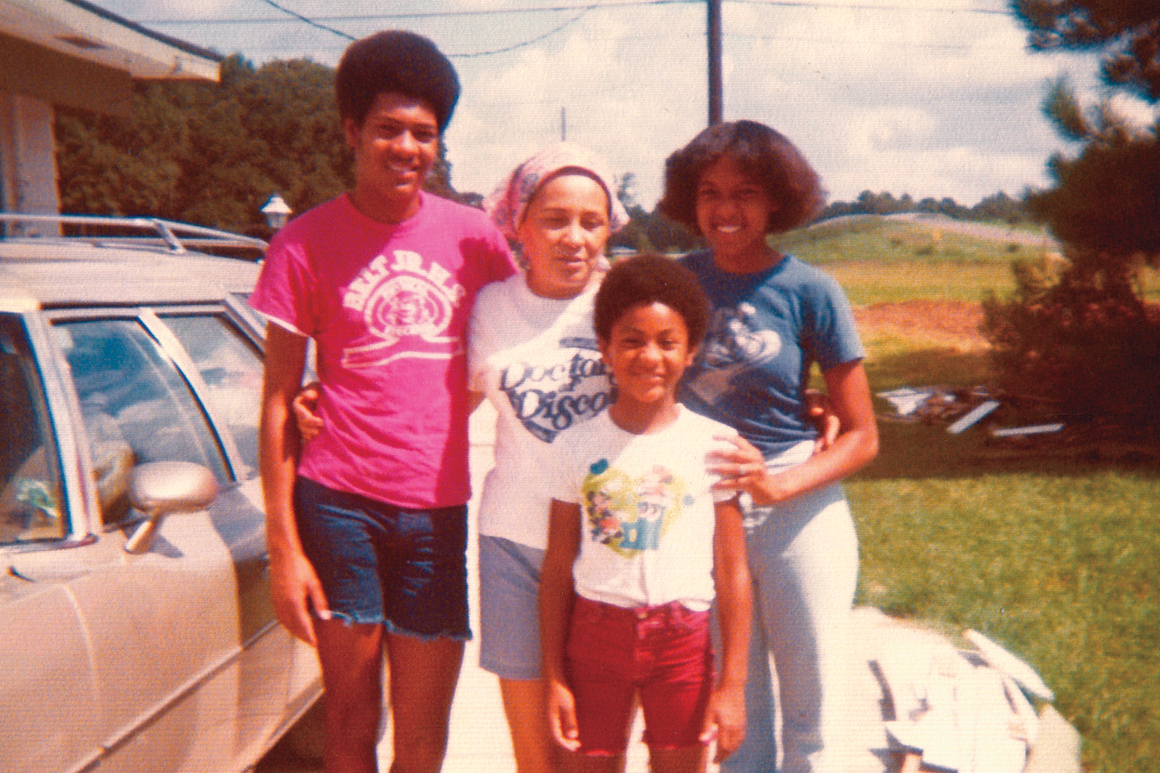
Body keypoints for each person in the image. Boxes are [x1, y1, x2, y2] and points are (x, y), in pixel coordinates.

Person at [293, 142, 630, 773]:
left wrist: (809, 400)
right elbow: (427, 387)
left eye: (592, 221)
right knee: (536, 754)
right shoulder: (489, 307)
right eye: (555, 219)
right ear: (518, 225)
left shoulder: (629, 302)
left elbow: (685, 387)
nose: (574, 237)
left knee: (594, 751)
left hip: (607, 544)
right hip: (516, 544)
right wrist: (322, 396)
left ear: (611, 227)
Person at [251, 30, 518, 773]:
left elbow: (529, 338)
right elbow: (276, 400)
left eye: (423, 134)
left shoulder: (475, 240)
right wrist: (284, 550)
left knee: (424, 736)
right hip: (337, 506)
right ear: (352, 131)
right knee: (350, 721)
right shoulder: (302, 244)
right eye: (388, 130)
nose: (406, 148)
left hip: (436, 509)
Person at [657, 120, 879, 773]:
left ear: (777, 198)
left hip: (794, 505)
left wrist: (779, 484)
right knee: (733, 718)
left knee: (813, 712)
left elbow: (863, 435)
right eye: (710, 192)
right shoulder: (672, 283)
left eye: (745, 193)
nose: (726, 209)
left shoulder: (811, 290)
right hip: (700, 506)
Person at [539, 254, 753, 773]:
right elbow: (557, 566)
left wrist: (733, 685)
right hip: (595, 637)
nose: (650, 356)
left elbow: (732, 570)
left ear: (691, 350)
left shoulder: (715, 445)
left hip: (682, 640)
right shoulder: (574, 445)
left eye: (667, 342)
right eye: (632, 341)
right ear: (605, 348)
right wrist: (554, 677)